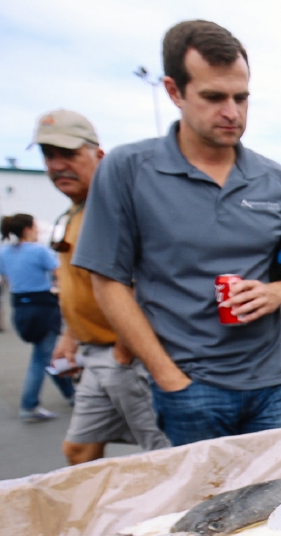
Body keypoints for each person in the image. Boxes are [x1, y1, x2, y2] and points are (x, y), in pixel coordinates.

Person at [74, 20, 281, 446]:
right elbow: (107, 281)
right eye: (213, 97)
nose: (232, 111)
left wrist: (278, 292)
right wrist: (167, 377)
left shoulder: (273, 178)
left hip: (273, 384)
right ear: (174, 91)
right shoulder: (128, 169)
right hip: (189, 386)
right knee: (207, 508)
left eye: (241, 97)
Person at [35, 109, 169, 465]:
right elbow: (76, 284)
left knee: (167, 456)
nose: (58, 165)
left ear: (98, 155)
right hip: (94, 353)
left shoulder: (118, 208)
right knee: (78, 450)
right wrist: (69, 337)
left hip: (125, 355)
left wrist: (125, 352)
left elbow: (149, 285)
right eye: (49, 155)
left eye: (69, 154)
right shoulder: (75, 213)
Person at [0, 213, 76, 422]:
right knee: (42, 358)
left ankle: (71, 394)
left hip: (20, 308)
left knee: (45, 353)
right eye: (35, 227)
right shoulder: (39, 250)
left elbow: (5, 277)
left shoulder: (4, 252)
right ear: (27, 230)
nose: (38, 230)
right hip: (42, 307)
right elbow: (62, 274)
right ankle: (29, 405)